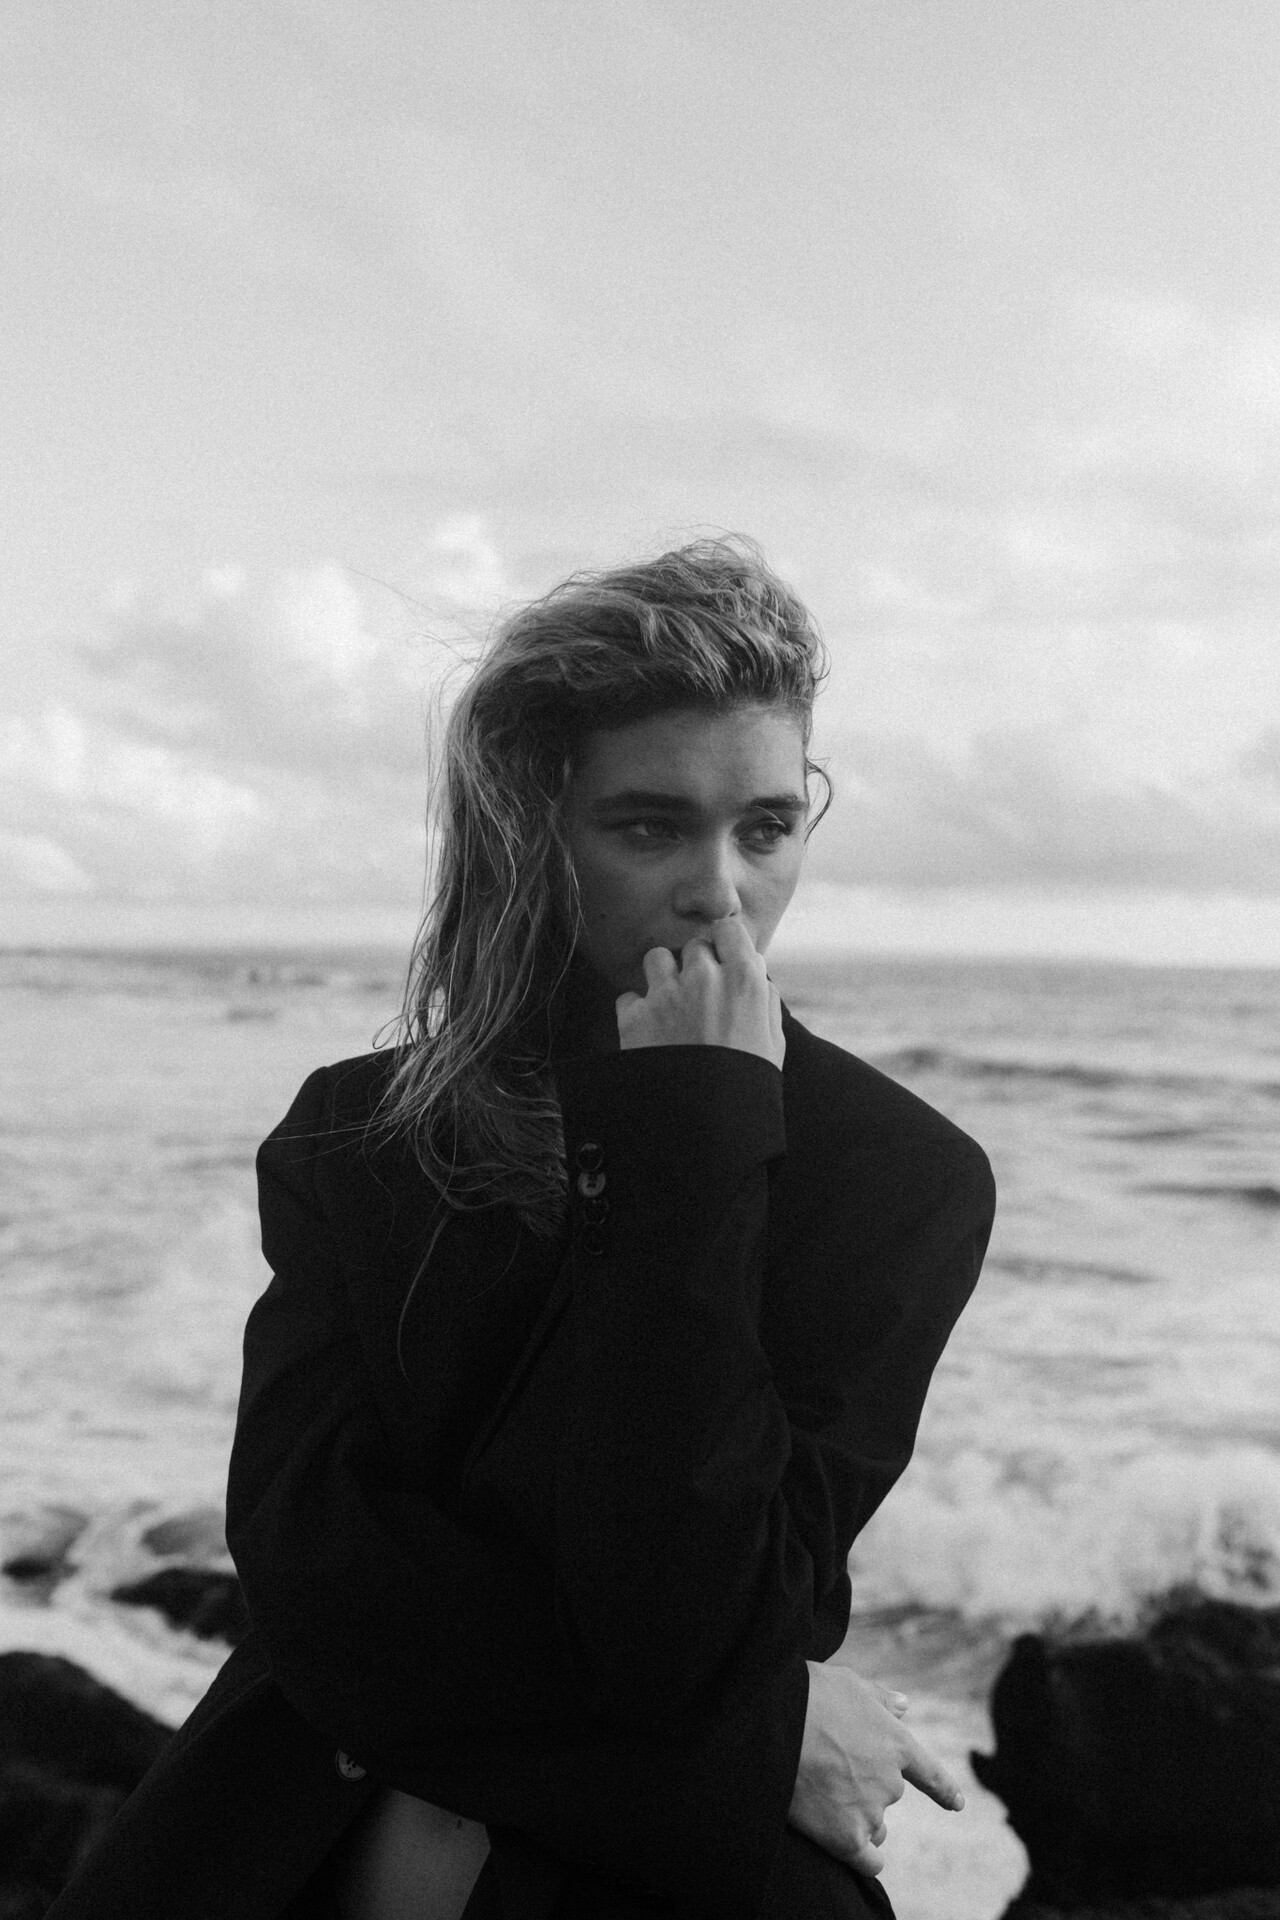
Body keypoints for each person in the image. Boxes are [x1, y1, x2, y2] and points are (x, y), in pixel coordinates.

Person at [48, 538, 995, 1920]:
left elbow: (689, 1624)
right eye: (649, 827)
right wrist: (760, 1739)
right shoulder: (362, 1132)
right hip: (286, 1831)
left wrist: (697, 1149)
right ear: (533, 835)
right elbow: (314, 1574)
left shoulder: (898, 1179)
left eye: (766, 827)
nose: (720, 889)